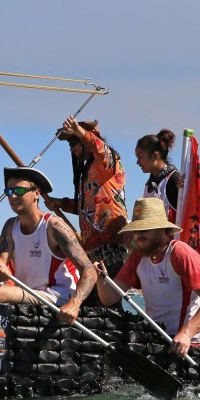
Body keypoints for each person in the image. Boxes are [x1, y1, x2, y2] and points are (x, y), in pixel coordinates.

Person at [0, 169, 96, 325]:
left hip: (57, 296)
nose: (13, 196)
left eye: (19, 190)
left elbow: (89, 270)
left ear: (37, 193)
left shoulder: (54, 226)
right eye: (9, 191)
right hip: (28, 293)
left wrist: (74, 304)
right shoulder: (10, 225)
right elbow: (0, 263)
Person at [94, 198, 200, 357]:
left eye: (145, 230)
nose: (138, 236)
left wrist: (186, 333)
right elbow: (109, 298)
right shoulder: (137, 257)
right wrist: (101, 278)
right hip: (155, 339)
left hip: (187, 345)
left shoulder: (180, 254)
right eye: (136, 230)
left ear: (162, 229)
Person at [46, 117, 129, 281]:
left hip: (111, 243)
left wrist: (81, 132)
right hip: (91, 246)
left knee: (109, 294)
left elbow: (101, 151)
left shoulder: (107, 162)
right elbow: (86, 207)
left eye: (73, 144)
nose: (72, 150)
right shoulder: (87, 173)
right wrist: (61, 204)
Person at [135, 129, 180, 222]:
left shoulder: (175, 180)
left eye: (140, 157)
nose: (137, 162)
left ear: (155, 156)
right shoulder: (149, 184)